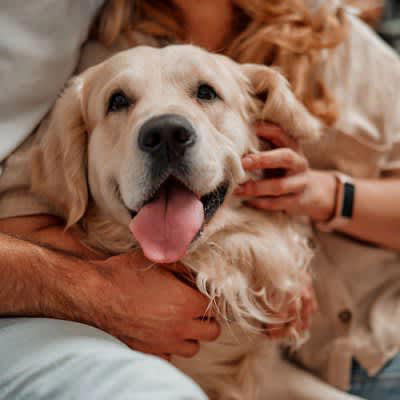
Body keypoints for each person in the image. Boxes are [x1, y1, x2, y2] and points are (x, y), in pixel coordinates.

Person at [0, 0, 399, 399]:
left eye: (204, 94)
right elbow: (22, 219)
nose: (165, 128)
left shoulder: (330, 35)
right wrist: (107, 290)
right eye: (121, 103)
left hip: (384, 328)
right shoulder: (89, 47)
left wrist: (325, 195)